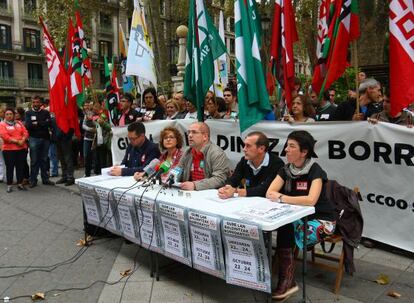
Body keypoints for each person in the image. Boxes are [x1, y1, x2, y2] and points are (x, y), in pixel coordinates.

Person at [266, 130, 335, 300]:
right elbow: (270, 192)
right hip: (295, 216)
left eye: (291, 146)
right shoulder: (286, 169)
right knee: (285, 225)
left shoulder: (315, 170)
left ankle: (287, 280)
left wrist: (282, 198)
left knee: (287, 228)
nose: (286, 150)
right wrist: (287, 199)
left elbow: (311, 200)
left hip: (322, 220)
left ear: (304, 152)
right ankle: (286, 278)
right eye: (287, 145)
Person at [218, 132, 284, 199]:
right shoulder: (244, 160)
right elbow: (234, 179)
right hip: (248, 202)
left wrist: (236, 191)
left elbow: (265, 189)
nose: (244, 149)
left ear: (261, 149)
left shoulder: (277, 164)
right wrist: (226, 188)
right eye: (244, 145)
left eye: (248, 146)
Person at [177, 122, 230, 191]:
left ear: (205, 136)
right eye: (189, 132)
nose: (190, 135)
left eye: (194, 132)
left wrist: (195, 185)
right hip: (191, 193)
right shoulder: (188, 152)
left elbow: (219, 179)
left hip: (211, 196)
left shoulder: (217, 153)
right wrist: (169, 178)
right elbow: (178, 170)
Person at [25, 96, 55, 187]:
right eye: (34, 102)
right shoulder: (28, 113)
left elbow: (49, 123)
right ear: (32, 103)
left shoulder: (46, 112)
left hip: (45, 139)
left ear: (41, 103)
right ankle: (33, 180)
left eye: (37, 102)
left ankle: (45, 179)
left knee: (44, 160)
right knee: (34, 160)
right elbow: (28, 125)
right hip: (34, 139)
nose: (36, 104)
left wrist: (37, 123)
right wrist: (42, 123)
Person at [0, 108, 29, 192]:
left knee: (20, 167)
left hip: (21, 149)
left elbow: (25, 132)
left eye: (11, 114)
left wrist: (23, 140)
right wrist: (17, 141)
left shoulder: (19, 123)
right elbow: (5, 136)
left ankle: (20, 184)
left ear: (14, 115)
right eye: (7, 114)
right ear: (5, 115)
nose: (9, 116)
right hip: (9, 150)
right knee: (10, 167)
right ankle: (9, 185)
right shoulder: (2, 124)